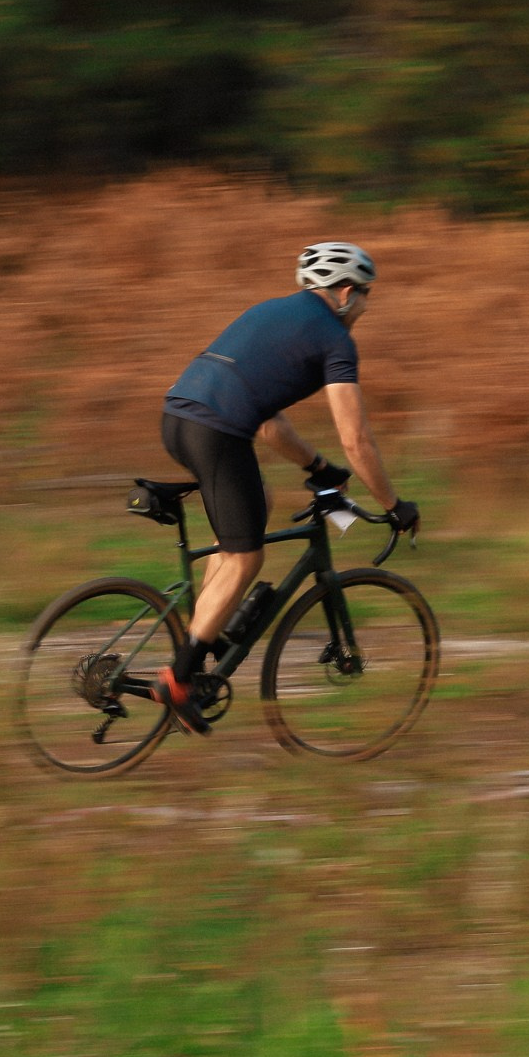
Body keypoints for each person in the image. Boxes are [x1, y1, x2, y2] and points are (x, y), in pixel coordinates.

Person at [153, 241, 420, 733]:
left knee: (253, 510)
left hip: (176, 418)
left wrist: (318, 467)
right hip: (215, 434)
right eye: (365, 294)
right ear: (344, 292)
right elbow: (357, 439)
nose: (365, 305)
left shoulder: (272, 312)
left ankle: (205, 631)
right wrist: (393, 503)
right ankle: (179, 679)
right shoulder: (336, 341)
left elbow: (267, 420)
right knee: (247, 557)